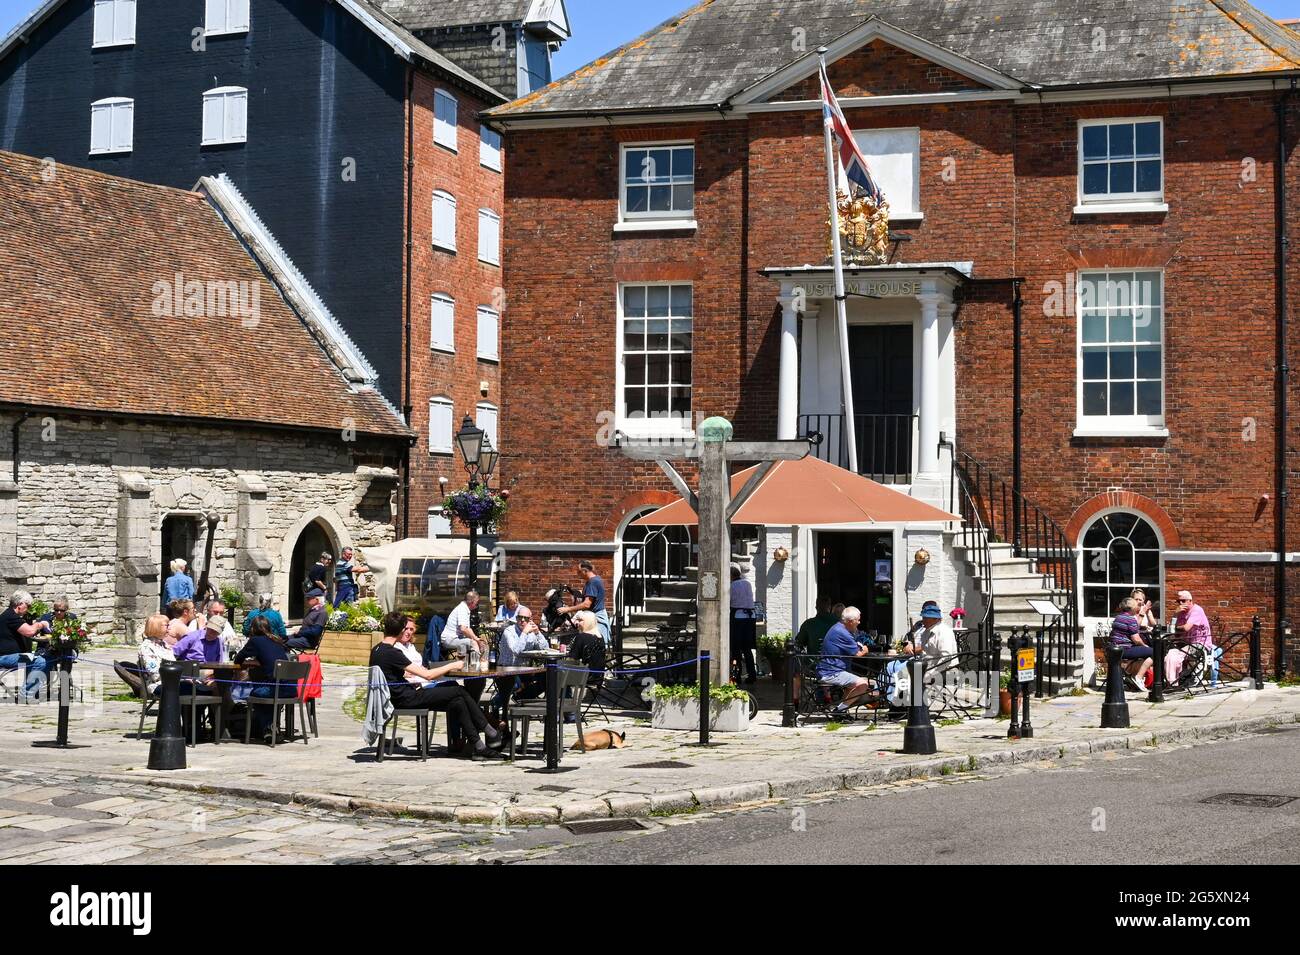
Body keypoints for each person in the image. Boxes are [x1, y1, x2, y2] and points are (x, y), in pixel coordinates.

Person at [369, 612, 503, 759]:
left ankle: (479, 746)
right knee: (459, 690)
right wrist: (453, 664)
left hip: (400, 696)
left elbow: (393, 675)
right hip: (407, 698)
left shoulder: (376, 650)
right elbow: (428, 675)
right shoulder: (392, 652)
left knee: (457, 701)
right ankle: (490, 731)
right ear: (401, 630)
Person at [234, 614, 293, 740]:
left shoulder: (255, 641)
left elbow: (238, 659)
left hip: (275, 689)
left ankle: (268, 728)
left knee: (256, 693)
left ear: (253, 629)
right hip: (290, 689)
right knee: (264, 690)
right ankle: (272, 726)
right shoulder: (277, 640)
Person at [816, 606, 873, 715]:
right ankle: (839, 711)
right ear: (850, 622)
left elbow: (853, 647)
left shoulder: (838, 628)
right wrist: (866, 649)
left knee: (853, 684)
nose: (859, 622)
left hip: (830, 669)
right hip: (831, 672)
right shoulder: (843, 633)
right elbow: (858, 653)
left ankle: (842, 710)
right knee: (863, 684)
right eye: (858, 620)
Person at [0, 591, 54, 701]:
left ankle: (32, 691)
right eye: (28, 605)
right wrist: (41, 624)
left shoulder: (12, 616)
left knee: (42, 658)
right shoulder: (11, 616)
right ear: (20, 604)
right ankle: (25, 695)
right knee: (40, 661)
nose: (28, 609)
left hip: (12, 655)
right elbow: (29, 632)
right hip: (5, 657)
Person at [1172, 589, 1221, 684]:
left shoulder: (1197, 610)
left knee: (1177, 655)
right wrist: (1175, 615)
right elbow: (1176, 633)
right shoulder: (1181, 613)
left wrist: (1177, 627)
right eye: (1179, 601)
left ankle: (1182, 679)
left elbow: (1185, 628)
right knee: (1167, 651)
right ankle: (1176, 679)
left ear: (1190, 601)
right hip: (1187, 642)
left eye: (1183, 601)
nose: (1180, 603)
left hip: (1200, 644)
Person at [557, 561, 610, 645]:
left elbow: (586, 604)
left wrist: (567, 609)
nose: (578, 574)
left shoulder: (592, 582)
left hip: (596, 619)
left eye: (579, 572)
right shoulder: (596, 579)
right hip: (596, 616)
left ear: (585, 571)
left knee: (595, 647)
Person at [1110, 597, 1154, 690]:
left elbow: (1132, 630)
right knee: (1155, 652)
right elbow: (1136, 639)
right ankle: (1138, 677)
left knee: (1148, 652)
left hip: (1114, 649)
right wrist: (1144, 646)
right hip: (1124, 650)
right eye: (1137, 606)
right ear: (1132, 608)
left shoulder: (1118, 617)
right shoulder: (1130, 619)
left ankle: (1132, 676)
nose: (1138, 607)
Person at [729, 565, 758, 684]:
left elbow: (729, 601)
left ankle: (737, 676)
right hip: (750, 617)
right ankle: (752, 675)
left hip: (738, 617)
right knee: (747, 649)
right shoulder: (747, 583)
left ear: (730, 576)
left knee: (736, 648)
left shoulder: (731, 586)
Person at [137, 613, 177, 696]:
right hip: (158, 684)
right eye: (166, 625)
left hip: (173, 681)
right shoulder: (147, 647)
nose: (169, 628)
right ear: (156, 628)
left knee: (201, 688)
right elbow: (154, 673)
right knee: (195, 690)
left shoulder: (164, 645)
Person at [568, 610, 606, 690]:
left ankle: (563, 698)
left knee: (551, 674)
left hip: (584, 677)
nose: (577, 622)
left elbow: (572, 660)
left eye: (580, 620)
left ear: (588, 622)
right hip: (598, 677)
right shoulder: (600, 636)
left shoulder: (581, 637)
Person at [442, 590, 483, 661]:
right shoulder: (462, 609)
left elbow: (468, 629)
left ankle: (471, 663)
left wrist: (476, 638)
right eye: (477, 602)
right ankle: (478, 664)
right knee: (473, 643)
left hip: (457, 638)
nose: (477, 605)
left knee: (478, 642)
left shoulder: (465, 608)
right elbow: (463, 629)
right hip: (450, 639)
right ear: (472, 602)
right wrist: (475, 639)